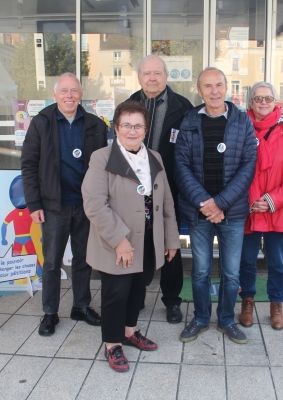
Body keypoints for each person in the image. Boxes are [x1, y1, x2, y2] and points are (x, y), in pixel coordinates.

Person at [82, 100, 180, 372]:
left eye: (138, 125)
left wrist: (171, 239)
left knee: (138, 289)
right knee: (116, 293)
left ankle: (129, 330)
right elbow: (94, 204)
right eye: (126, 125)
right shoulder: (102, 158)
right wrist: (119, 241)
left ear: (146, 129)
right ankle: (112, 344)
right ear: (116, 128)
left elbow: (167, 202)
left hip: (148, 238)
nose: (132, 131)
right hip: (117, 241)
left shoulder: (155, 158)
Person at [21, 73, 107, 337]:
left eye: (74, 91)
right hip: (53, 206)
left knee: (84, 259)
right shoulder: (41, 122)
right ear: (55, 94)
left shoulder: (95, 124)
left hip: (86, 205)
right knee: (51, 262)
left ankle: (81, 306)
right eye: (64, 91)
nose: (69, 96)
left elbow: (103, 167)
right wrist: (34, 203)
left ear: (81, 94)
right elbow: (29, 164)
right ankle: (50, 312)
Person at [174, 67, 256, 345]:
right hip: (199, 211)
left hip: (231, 211)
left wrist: (220, 203)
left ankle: (226, 319)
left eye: (219, 85)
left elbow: (248, 166)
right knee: (200, 270)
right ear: (199, 90)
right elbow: (181, 166)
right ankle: (199, 318)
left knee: (231, 272)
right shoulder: (188, 121)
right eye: (207, 86)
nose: (214, 91)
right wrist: (205, 203)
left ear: (227, 88)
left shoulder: (242, 121)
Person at [129, 55, 194, 323]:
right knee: (138, 242)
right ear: (140, 77)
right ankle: (136, 295)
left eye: (157, 73)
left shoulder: (183, 107)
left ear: (166, 77)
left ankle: (172, 300)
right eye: (147, 73)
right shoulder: (128, 105)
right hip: (134, 189)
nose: (152, 78)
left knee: (169, 244)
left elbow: (191, 151)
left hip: (170, 189)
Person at [238, 82, 283, 330]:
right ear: (250, 102)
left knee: (276, 261)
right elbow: (235, 166)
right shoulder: (240, 126)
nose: (263, 102)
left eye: (268, 98)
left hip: (278, 207)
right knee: (247, 260)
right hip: (249, 206)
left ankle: (276, 304)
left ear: (276, 101)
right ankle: (247, 301)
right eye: (258, 98)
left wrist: (273, 200)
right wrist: (253, 200)